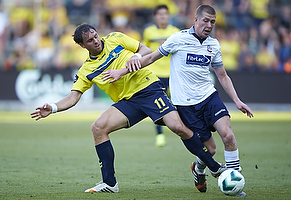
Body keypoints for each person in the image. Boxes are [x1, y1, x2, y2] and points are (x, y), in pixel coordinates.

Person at [30, 23, 226, 193]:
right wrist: (54, 107)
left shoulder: (115, 38)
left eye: (96, 36)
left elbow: (145, 51)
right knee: (98, 127)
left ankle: (214, 167)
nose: (96, 41)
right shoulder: (86, 70)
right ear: (82, 46)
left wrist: (133, 60)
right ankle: (109, 183)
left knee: (177, 127)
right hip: (128, 102)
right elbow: (73, 97)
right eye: (90, 41)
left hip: (148, 88)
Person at [105, 5, 253, 197]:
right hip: (186, 104)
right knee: (211, 149)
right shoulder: (178, 38)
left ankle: (234, 181)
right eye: (206, 20)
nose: (209, 25)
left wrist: (237, 100)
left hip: (209, 96)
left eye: (213, 22)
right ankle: (199, 169)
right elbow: (150, 58)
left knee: (228, 136)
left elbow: (222, 76)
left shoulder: (214, 45)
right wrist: (122, 71)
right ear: (196, 20)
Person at [142, 5, 180, 147]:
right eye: (160, 14)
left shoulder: (175, 32)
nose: (163, 16)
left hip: (172, 73)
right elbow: (144, 50)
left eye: (165, 14)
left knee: (176, 102)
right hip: (155, 73)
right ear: (156, 16)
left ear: (168, 16)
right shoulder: (149, 32)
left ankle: (178, 127)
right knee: (158, 104)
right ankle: (160, 135)